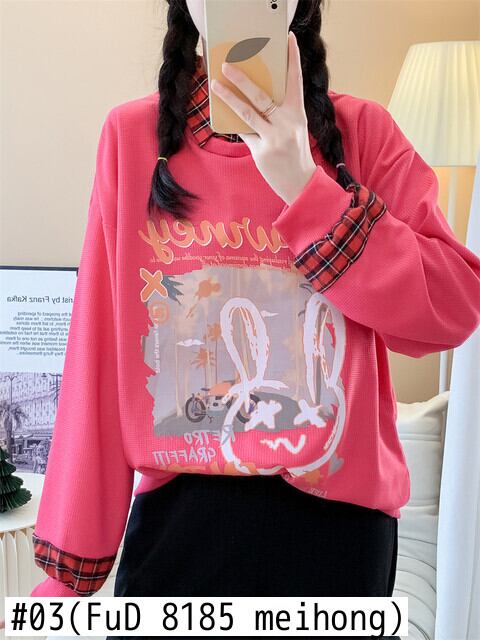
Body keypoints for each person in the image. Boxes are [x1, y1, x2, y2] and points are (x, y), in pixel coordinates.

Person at [23, 1, 480, 639]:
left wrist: (306, 187)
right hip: (180, 527)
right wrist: (69, 575)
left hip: (339, 537)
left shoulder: (362, 134)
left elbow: (453, 308)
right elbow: (97, 352)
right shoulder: (133, 139)